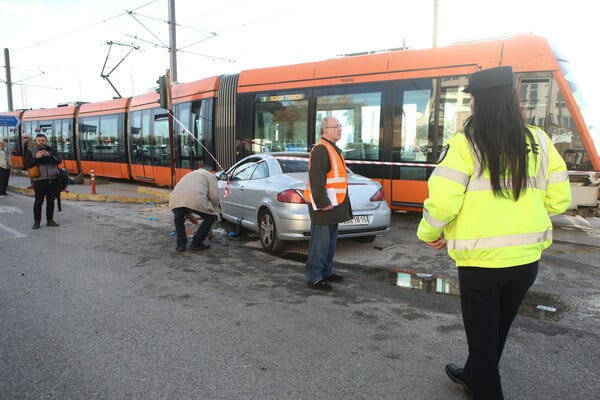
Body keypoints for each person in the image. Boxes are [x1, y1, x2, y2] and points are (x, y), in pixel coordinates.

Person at [416, 66, 571, 399]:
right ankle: (471, 373)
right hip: (526, 261)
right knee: (496, 331)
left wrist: (428, 232)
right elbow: (560, 201)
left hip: (480, 264)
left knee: (484, 339)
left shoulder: (465, 143)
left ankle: (483, 384)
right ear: (512, 100)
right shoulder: (540, 142)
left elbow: (442, 204)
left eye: (471, 98)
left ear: (479, 102)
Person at [303, 116, 352, 291]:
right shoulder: (321, 149)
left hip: (332, 204)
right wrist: (323, 202)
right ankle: (314, 278)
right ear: (325, 129)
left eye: (340, 126)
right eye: (336, 126)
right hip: (324, 206)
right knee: (320, 244)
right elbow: (317, 180)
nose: (340, 129)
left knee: (329, 243)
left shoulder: (331, 148)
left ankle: (326, 272)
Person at [169, 166, 221, 252]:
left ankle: (181, 245)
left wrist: (190, 216)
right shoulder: (210, 176)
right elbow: (214, 196)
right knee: (210, 217)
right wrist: (215, 210)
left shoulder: (190, 174)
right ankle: (197, 243)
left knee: (178, 218)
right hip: (195, 198)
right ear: (211, 171)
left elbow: (185, 204)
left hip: (175, 199)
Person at [24, 133, 63, 229]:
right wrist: (36, 157)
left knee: (51, 201)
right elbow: (27, 164)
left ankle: (50, 220)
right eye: (39, 141)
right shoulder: (31, 151)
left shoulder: (51, 150)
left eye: (43, 140)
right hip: (39, 180)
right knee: (38, 202)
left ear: (46, 141)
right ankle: (36, 221)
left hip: (52, 179)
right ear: (36, 141)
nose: (41, 142)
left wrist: (49, 155)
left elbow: (59, 160)